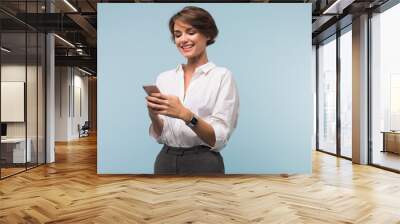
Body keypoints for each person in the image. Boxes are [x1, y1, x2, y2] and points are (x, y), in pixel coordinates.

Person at [146, 6, 239, 175]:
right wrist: (153, 114)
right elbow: (160, 135)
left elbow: (218, 138)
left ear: (208, 34)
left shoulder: (222, 76)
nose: (183, 39)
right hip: (165, 160)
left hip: (204, 162)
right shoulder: (164, 78)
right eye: (178, 34)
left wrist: (185, 114)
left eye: (191, 32)